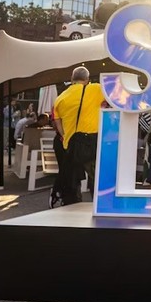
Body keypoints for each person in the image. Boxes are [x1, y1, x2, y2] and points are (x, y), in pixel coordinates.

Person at [53, 66, 105, 205]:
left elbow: (58, 124)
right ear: (87, 79)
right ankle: (98, 205)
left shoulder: (60, 97)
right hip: (90, 143)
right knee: (95, 177)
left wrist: (65, 136)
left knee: (72, 180)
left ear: (72, 79)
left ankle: (72, 207)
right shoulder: (96, 89)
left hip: (70, 145)